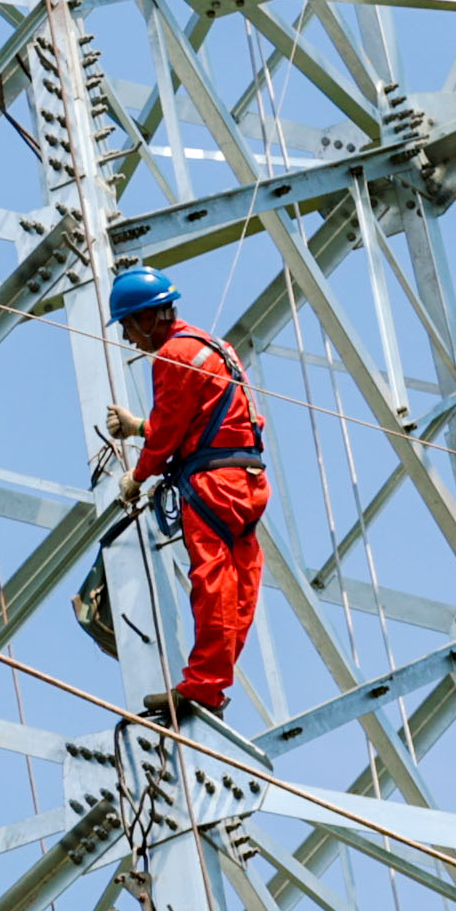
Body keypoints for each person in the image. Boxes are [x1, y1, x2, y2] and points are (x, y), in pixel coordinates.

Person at [98, 265, 267, 722]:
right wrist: (137, 427)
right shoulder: (214, 347)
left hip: (213, 485)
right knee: (240, 585)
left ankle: (204, 687)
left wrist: (138, 475)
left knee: (212, 582)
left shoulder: (170, 356)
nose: (130, 339)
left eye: (129, 326)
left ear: (149, 318)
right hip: (247, 479)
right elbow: (199, 419)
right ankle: (213, 681)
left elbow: (170, 433)